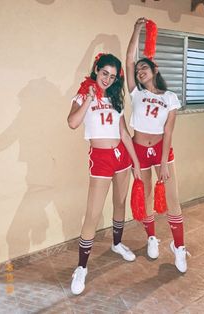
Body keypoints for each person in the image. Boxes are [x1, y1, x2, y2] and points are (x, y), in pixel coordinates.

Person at [67, 53, 141, 295]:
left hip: (121, 155)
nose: (107, 79)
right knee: (92, 213)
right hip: (100, 158)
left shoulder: (114, 98)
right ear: (96, 70)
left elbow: (125, 133)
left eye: (112, 75)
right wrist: (88, 99)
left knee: (119, 203)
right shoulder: (82, 94)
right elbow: (73, 123)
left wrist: (137, 164)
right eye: (104, 73)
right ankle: (81, 267)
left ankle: (117, 243)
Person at [126, 17, 189, 273]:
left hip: (163, 153)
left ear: (155, 70)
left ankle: (179, 247)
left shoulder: (171, 98)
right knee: (147, 196)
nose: (140, 71)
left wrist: (163, 161)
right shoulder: (136, 93)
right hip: (139, 151)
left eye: (145, 68)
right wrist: (136, 30)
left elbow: (168, 131)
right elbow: (128, 62)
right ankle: (151, 236)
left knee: (173, 200)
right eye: (138, 70)